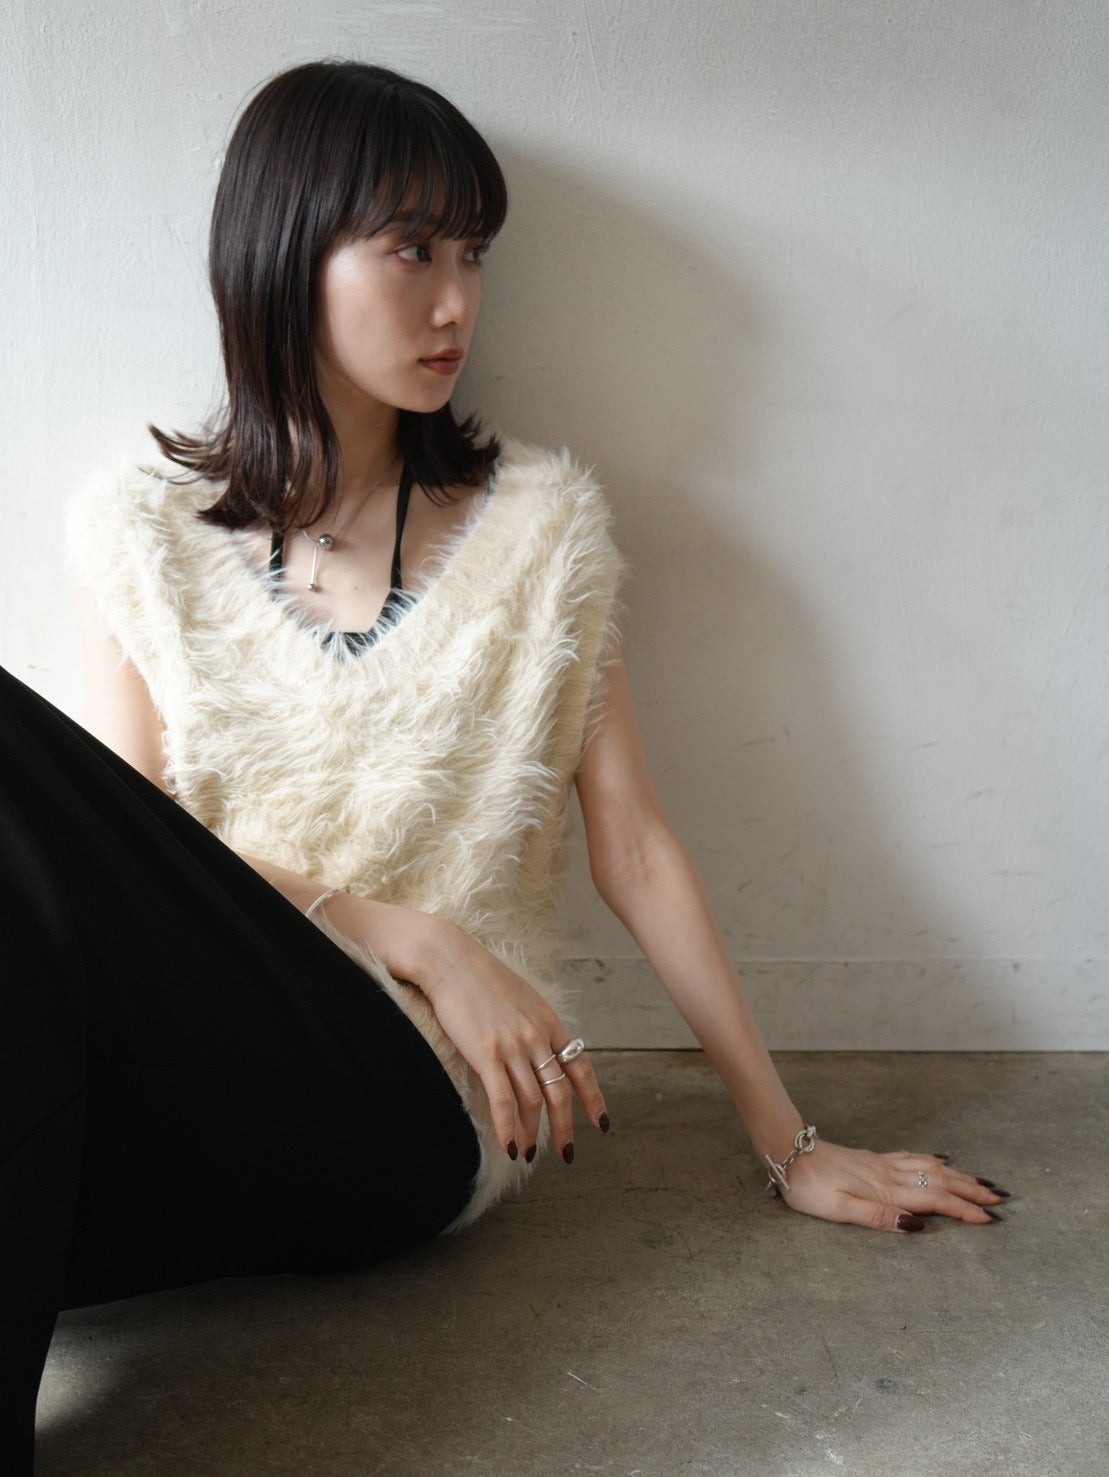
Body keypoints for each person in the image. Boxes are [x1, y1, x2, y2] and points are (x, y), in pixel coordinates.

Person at [4, 58, 1009, 1471]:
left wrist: (789, 1143)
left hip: (420, 1097)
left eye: (471, 253)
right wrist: (406, 930)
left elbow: (634, 847)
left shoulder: (540, 530)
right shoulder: (140, 529)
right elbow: (137, 855)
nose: (458, 302)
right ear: (284, 252)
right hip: (197, 1072)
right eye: (412, 250)